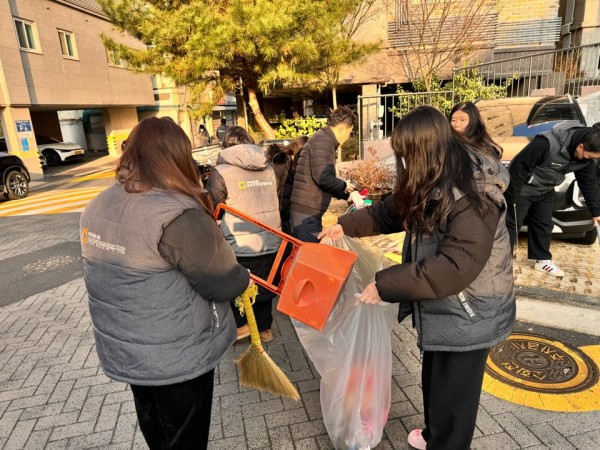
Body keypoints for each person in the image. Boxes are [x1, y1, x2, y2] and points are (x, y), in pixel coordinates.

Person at [318, 106, 516, 450]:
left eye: (408, 155)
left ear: (426, 150)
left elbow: (456, 266)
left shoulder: (475, 192)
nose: (404, 163)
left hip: (472, 309)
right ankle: (434, 434)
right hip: (447, 305)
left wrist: (385, 285)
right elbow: (393, 210)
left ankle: (446, 441)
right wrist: (345, 226)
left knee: (454, 397)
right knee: (435, 380)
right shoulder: (435, 173)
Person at [80, 117, 251, 449]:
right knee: (184, 438)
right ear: (178, 156)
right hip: (177, 357)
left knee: (155, 430)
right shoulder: (176, 214)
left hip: (130, 352)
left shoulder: (95, 206)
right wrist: (244, 276)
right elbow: (224, 282)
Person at [205, 126, 281, 343]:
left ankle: (242, 326)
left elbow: (215, 206)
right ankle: (265, 329)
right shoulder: (269, 169)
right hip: (272, 239)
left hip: (238, 243)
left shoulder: (220, 173)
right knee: (265, 285)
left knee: (238, 284)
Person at [505, 121, 600, 277]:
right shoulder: (547, 143)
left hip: (546, 189)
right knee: (511, 224)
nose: (590, 160)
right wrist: (512, 196)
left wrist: (596, 211)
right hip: (523, 188)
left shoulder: (586, 159)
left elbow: (588, 183)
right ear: (580, 147)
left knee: (543, 223)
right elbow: (519, 165)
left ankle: (542, 260)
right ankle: (500, 261)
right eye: (590, 157)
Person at [289, 106, 356, 242]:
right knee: (309, 256)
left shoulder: (324, 140)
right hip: (306, 213)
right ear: (342, 128)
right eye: (349, 132)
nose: (348, 137)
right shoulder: (323, 142)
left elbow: (324, 180)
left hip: (308, 211)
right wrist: (344, 185)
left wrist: (347, 195)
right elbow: (322, 178)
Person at [266, 135, 309, 234]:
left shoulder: (293, 163)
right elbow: (274, 188)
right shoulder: (280, 161)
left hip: (285, 212)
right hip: (278, 212)